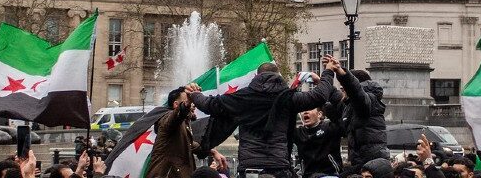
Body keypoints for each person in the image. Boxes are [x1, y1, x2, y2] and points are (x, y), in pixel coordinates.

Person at [185, 62, 335, 178]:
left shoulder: (242, 97)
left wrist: (195, 94)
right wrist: (327, 73)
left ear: (256, 76)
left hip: (250, 166)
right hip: (278, 166)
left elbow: (210, 105)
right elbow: (320, 96)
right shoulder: (288, 98)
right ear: (279, 76)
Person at [321, 55, 387, 167]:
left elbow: (355, 92)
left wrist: (341, 72)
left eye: (344, 87)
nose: (342, 89)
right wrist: (321, 82)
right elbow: (337, 99)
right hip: (360, 160)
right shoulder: (351, 105)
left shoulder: (366, 101)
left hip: (371, 163)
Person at [146, 87, 199, 178]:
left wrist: (212, 152)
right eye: (188, 100)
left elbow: (189, 144)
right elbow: (175, 117)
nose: (193, 105)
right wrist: (186, 104)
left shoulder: (184, 122)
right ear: (176, 104)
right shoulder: (168, 118)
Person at [292, 108, 342, 177]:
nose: (305, 112)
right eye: (303, 110)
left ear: (319, 114)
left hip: (329, 174)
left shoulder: (329, 127)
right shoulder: (298, 133)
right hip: (307, 176)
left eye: (310, 109)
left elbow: (336, 111)